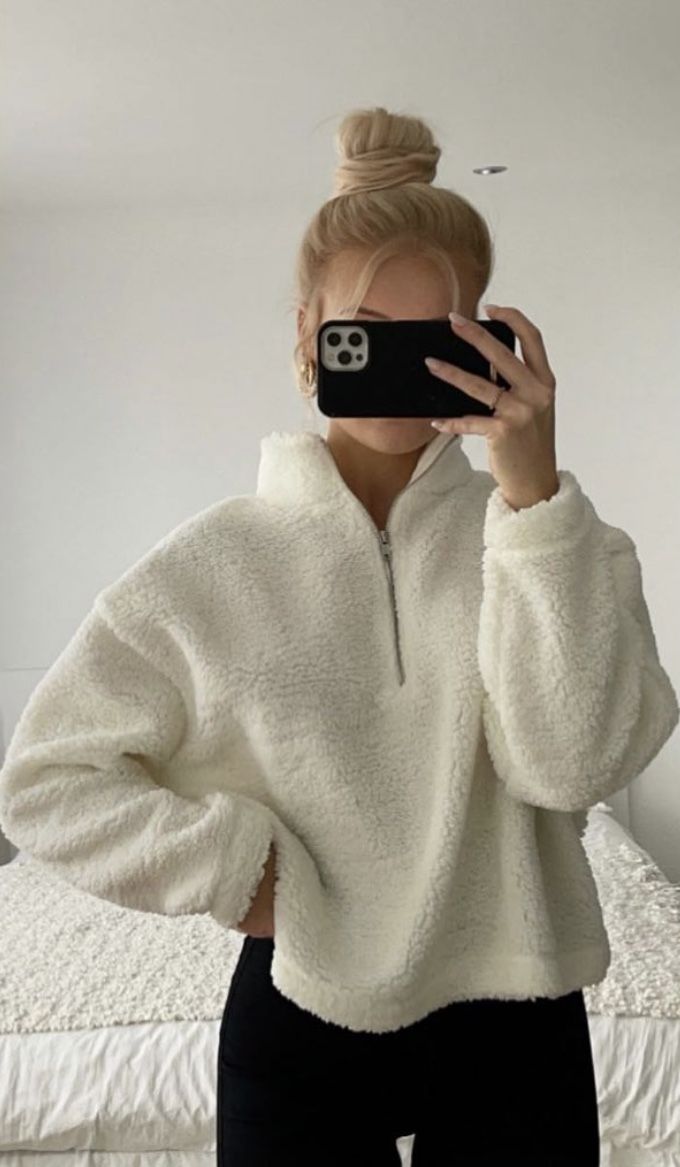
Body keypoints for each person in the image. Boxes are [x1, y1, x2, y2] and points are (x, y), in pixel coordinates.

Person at [1, 106, 677, 1166]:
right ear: (308, 334)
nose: (398, 364)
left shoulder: (553, 543)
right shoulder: (210, 564)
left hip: (520, 1006)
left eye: (436, 337)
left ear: (486, 344)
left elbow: (571, 766)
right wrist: (238, 868)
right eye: (366, 331)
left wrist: (532, 499)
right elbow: (45, 783)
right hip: (301, 1006)